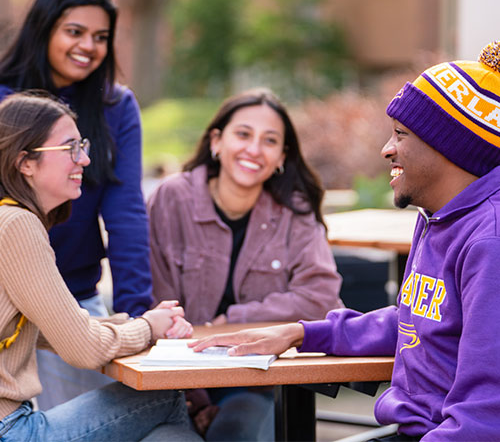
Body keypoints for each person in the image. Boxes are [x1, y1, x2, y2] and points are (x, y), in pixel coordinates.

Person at [190, 41, 500, 441]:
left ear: (449, 148)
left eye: (400, 134)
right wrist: (303, 333)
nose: (387, 149)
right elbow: (421, 323)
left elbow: (485, 418)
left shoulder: (488, 241)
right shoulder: (440, 215)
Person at [0, 92, 201, 441]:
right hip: (11, 431)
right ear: (25, 162)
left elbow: (56, 330)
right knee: (164, 393)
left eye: (84, 146)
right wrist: (148, 329)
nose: (85, 160)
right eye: (70, 149)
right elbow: (83, 349)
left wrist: (140, 323)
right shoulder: (16, 225)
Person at [148, 87, 344, 440]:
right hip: (175, 383)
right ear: (216, 141)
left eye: (269, 141)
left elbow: (322, 300)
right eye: (243, 134)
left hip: (258, 383)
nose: (254, 149)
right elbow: (152, 300)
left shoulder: (293, 212)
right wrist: (194, 399)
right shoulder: (171, 198)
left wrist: (232, 322)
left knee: (241, 428)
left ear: (281, 156)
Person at [0, 0, 152, 409]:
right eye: (74, 31)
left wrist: (139, 316)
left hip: (76, 304)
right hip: (8, 312)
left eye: (101, 36)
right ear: (43, 29)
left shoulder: (115, 106)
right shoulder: (4, 103)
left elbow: (126, 216)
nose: (88, 45)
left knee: (122, 414)